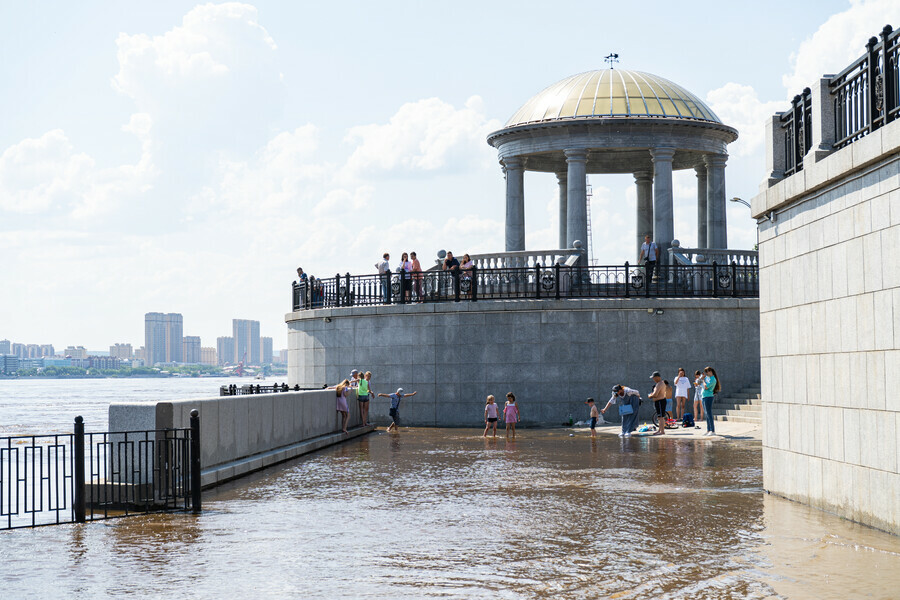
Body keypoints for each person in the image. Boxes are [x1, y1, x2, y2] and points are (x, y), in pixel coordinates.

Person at [701, 366, 720, 436]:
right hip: (704, 396)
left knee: (709, 413)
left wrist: (703, 381)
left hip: (708, 397)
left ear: (710, 371)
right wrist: (702, 379)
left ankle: (712, 430)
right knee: (706, 414)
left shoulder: (713, 379)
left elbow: (706, 387)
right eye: (705, 372)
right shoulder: (707, 378)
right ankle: (708, 429)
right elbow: (700, 383)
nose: (706, 373)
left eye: (707, 372)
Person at [648, 371, 667, 435]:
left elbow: (655, 394)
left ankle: (662, 431)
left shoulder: (659, 384)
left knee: (661, 417)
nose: (653, 379)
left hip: (660, 401)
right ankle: (660, 430)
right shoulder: (661, 383)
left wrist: (650, 396)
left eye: (654, 378)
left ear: (657, 377)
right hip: (660, 401)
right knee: (659, 417)